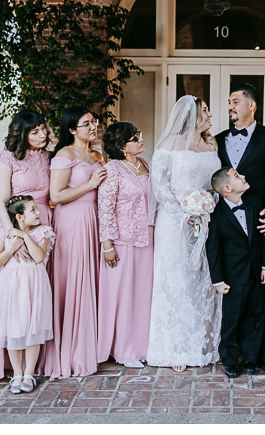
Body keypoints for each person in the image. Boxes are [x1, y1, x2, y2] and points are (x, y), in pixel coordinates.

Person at [0, 110, 51, 382]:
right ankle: (10, 366)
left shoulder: (46, 156)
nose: (42, 135)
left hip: (41, 221)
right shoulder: (7, 157)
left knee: (38, 285)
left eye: (43, 130)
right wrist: (13, 234)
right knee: (11, 289)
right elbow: (2, 200)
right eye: (35, 131)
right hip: (12, 221)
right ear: (22, 133)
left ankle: (34, 363)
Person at [215, 82, 265, 372]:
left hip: (258, 220)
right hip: (227, 221)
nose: (230, 106)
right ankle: (232, 354)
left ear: (251, 105)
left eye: (235, 101)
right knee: (234, 298)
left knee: (260, 296)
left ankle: (262, 352)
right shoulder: (217, 139)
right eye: (229, 102)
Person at [146, 96, 222, 370]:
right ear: (191, 116)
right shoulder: (168, 145)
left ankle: (203, 342)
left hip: (206, 220)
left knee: (204, 283)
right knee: (177, 281)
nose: (210, 114)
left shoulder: (210, 145)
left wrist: (209, 205)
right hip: (175, 223)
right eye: (205, 111)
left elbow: (215, 183)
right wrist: (185, 214)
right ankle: (175, 348)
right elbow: (160, 187)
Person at [40, 108, 107, 379]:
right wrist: (90, 184)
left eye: (94, 122)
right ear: (71, 130)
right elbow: (55, 196)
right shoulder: (63, 156)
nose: (93, 127)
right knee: (75, 282)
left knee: (92, 280)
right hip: (72, 222)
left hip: (95, 221)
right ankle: (70, 350)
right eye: (86, 124)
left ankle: (92, 345)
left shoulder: (97, 154)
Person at [97, 122, 156, 369]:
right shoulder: (113, 169)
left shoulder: (145, 164)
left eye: (139, 135)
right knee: (124, 296)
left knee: (144, 294)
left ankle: (143, 346)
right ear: (122, 147)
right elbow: (105, 208)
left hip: (148, 238)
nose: (141, 140)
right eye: (135, 138)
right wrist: (107, 244)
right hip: (123, 241)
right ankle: (124, 349)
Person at [0, 195, 56, 394]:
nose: (38, 212)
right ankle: (17, 373)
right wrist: (12, 249)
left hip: (34, 284)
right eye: (32, 210)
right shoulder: (3, 234)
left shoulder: (43, 232)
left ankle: (29, 374)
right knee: (13, 327)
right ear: (20, 217)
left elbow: (39, 257)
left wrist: (24, 237)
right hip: (11, 285)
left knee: (33, 328)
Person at [207, 167, 265, 378]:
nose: (243, 176)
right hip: (233, 277)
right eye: (237, 176)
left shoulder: (255, 204)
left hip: (256, 273)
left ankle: (251, 360)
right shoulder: (216, 216)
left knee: (256, 316)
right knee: (232, 320)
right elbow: (214, 250)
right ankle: (229, 359)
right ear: (227, 188)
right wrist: (218, 279)